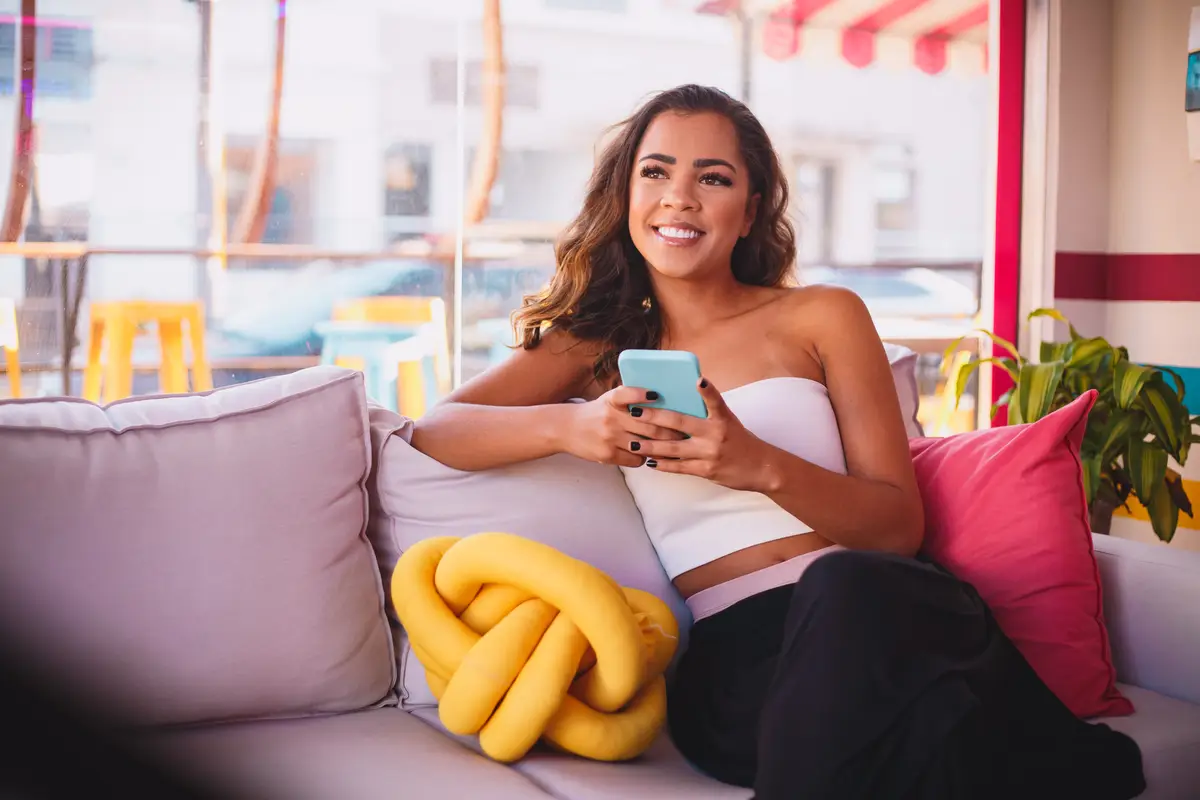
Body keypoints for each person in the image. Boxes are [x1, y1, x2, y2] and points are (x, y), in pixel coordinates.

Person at [410, 84, 1145, 799]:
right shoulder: (593, 343)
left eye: (714, 178)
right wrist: (574, 424)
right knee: (931, 743)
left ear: (750, 209)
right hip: (741, 661)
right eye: (656, 171)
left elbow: (896, 529)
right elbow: (438, 431)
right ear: (625, 194)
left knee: (845, 586)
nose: (680, 198)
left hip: (885, 612)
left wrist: (754, 464)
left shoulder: (823, 316)